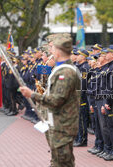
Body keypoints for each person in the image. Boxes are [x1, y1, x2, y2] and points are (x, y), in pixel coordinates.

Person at [20, 36, 81, 167]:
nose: (48, 53)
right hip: (57, 121)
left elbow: (56, 100)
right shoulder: (56, 67)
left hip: (63, 125)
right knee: (58, 159)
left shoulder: (66, 71)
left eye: (51, 48)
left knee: (63, 161)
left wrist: (32, 95)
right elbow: (41, 78)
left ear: (58, 51)